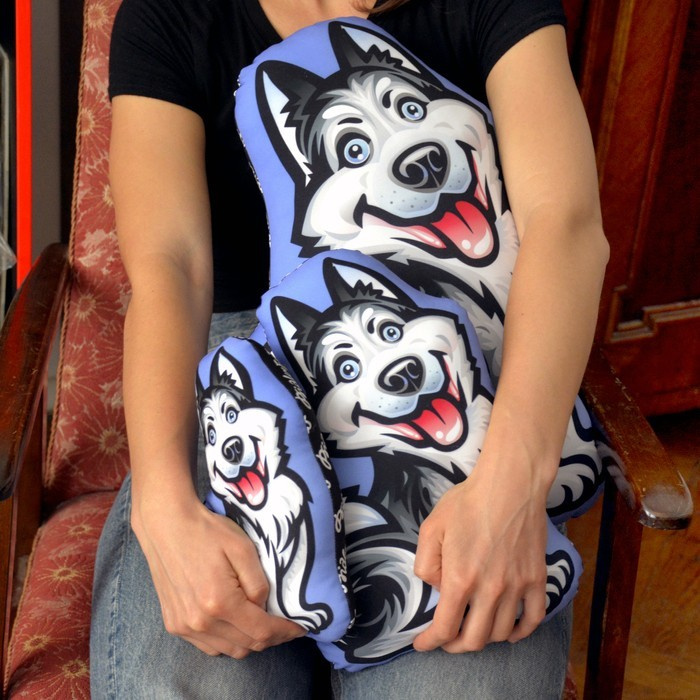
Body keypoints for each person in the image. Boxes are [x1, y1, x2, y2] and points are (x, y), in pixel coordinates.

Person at [90, 0, 609, 697]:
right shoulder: (168, 16)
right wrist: (164, 507)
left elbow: (565, 222)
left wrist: (510, 488)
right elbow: (170, 269)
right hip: (234, 382)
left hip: (452, 367)